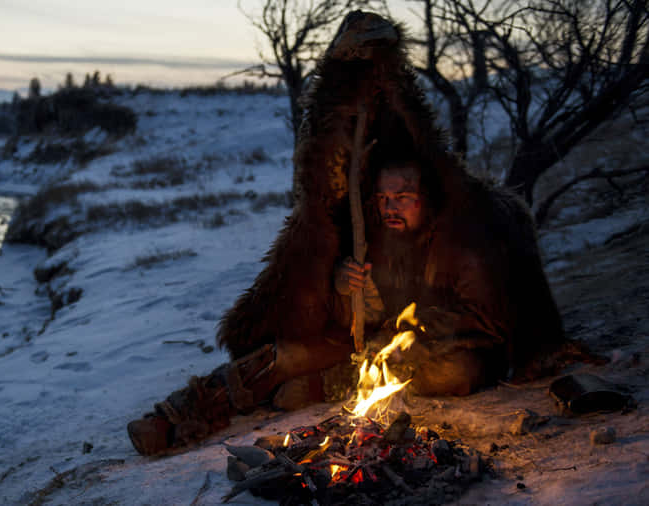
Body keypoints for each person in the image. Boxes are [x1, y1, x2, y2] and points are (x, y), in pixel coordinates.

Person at [127, 11, 586, 456]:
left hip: (438, 351)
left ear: (426, 196)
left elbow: (486, 320)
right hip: (368, 347)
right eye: (384, 198)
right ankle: (178, 415)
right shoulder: (373, 233)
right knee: (282, 357)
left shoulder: (462, 237)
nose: (391, 207)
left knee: (456, 373)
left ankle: (325, 385)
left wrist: (409, 332)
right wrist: (348, 291)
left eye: (403, 196)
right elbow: (350, 319)